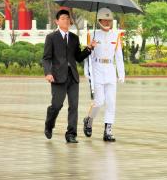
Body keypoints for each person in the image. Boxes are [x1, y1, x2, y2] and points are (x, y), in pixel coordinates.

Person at [43, 9, 96, 143]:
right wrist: (48, 73)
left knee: (74, 106)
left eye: (68, 18)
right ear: (57, 21)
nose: (66, 20)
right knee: (57, 105)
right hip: (57, 77)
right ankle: (49, 124)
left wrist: (89, 49)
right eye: (63, 18)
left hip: (72, 77)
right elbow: (46, 58)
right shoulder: (51, 37)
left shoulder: (74, 38)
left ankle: (71, 134)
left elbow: (78, 57)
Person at [83, 8, 125, 142]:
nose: (107, 22)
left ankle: (108, 130)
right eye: (104, 20)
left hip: (110, 69)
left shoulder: (116, 35)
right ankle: (89, 119)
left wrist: (121, 73)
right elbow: (88, 56)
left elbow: (118, 55)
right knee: (99, 101)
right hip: (97, 69)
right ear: (99, 20)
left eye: (109, 20)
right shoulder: (92, 34)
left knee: (111, 102)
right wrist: (87, 71)